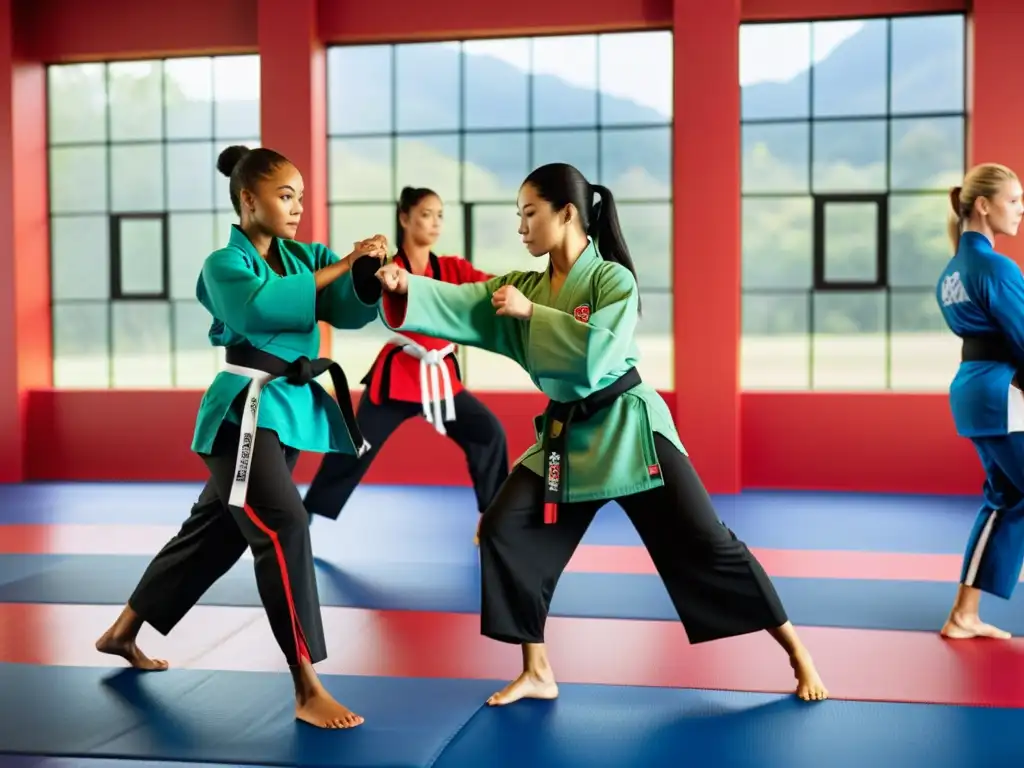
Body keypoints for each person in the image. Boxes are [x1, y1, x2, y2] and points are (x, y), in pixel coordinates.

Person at [372, 162, 829, 706]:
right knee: (503, 527)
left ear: (567, 213)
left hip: (629, 431)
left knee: (708, 544)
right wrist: (405, 287)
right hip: (567, 438)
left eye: (529, 214)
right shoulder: (523, 285)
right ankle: (537, 669)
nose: (520, 227)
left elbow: (595, 357)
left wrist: (531, 313)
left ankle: (798, 653)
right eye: (518, 216)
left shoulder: (613, 279)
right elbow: (464, 302)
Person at [95, 144, 389, 729]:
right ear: (248, 199)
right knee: (284, 527)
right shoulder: (222, 265)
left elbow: (348, 308)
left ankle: (122, 631)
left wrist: (366, 269)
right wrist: (341, 263)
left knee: (214, 533)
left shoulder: (306, 255)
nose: (298, 208)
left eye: (301, 197)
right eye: (286, 196)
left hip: (288, 413)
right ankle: (307, 687)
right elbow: (263, 310)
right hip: (240, 420)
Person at [303, 186, 509, 544]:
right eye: (426, 214)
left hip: (439, 378)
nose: (435, 222)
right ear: (404, 218)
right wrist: (370, 265)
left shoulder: (451, 267)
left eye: (440, 215)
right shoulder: (389, 268)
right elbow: (363, 297)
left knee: (489, 433)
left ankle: (493, 519)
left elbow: (492, 286)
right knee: (356, 447)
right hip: (397, 377)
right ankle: (304, 514)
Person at [935, 162, 1024, 640]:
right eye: (1015, 201)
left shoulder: (952, 272)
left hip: (975, 394)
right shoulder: (995, 267)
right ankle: (963, 614)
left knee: (1006, 498)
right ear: (985, 206)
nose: (1021, 212)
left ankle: (963, 614)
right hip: (1002, 397)